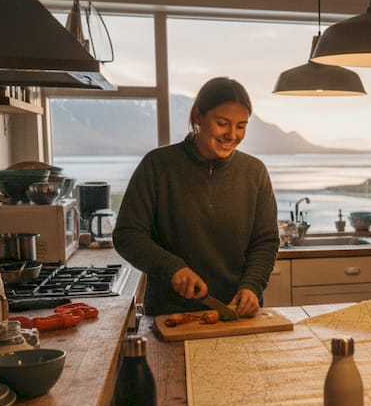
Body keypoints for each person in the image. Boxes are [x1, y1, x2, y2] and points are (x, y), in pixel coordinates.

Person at [114, 77, 280, 317]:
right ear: (197, 116)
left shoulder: (254, 172)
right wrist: (172, 268)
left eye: (241, 126)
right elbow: (127, 235)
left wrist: (252, 286)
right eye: (222, 123)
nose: (232, 135)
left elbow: (265, 241)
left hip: (237, 314)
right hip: (170, 315)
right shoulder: (158, 166)